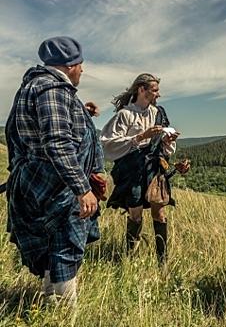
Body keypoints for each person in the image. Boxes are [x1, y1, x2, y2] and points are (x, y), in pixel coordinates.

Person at [5, 36, 104, 307]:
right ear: (70, 64)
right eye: (80, 63)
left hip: (41, 182)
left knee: (54, 246)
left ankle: (52, 304)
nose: (82, 69)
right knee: (64, 246)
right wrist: (82, 188)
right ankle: (60, 312)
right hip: (55, 187)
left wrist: (80, 111)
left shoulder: (39, 87)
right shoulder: (53, 90)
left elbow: (29, 128)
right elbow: (57, 143)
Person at [100, 73, 180, 264]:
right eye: (154, 90)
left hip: (154, 168)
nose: (158, 94)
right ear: (141, 90)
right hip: (132, 170)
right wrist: (140, 137)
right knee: (135, 214)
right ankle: (131, 260)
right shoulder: (124, 115)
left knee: (159, 212)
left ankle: (163, 262)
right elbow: (107, 144)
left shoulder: (158, 113)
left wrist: (167, 141)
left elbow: (162, 145)